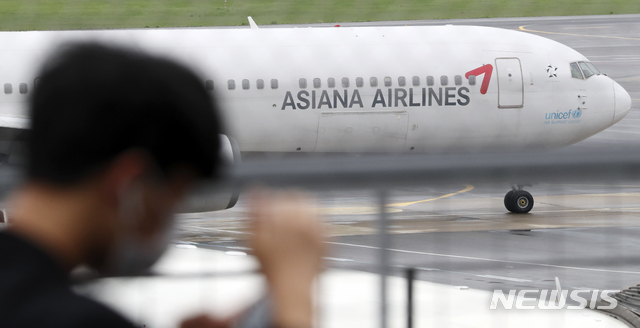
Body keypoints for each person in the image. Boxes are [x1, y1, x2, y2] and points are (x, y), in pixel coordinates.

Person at [0, 43, 325, 328]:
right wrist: (294, 298)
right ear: (129, 185)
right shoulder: (76, 319)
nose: (164, 230)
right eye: (173, 200)